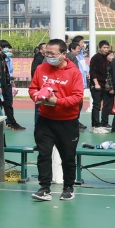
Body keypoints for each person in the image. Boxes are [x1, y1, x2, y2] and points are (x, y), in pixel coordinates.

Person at [29, 38, 84, 202]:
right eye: (46, 53)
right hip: (45, 120)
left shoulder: (74, 72)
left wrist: (57, 101)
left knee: (68, 157)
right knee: (44, 154)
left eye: (52, 54)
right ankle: (44, 188)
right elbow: (33, 88)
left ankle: (68, 187)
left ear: (63, 54)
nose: (49, 56)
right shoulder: (41, 68)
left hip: (67, 121)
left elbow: (78, 97)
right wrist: (37, 96)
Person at [0, 40, 23, 130]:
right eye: (7, 48)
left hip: (6, 84)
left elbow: (6, 72)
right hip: (1, 86)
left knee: (8, 104)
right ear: (1, 47)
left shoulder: (3, 57)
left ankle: (11, 122)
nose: (9, 50)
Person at [88, 40, 111, 132]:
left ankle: (104, 122)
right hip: (96, 85)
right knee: (97, 105)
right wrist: (96, 83)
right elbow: (92, 71)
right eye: (104, 47)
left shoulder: (108, 57)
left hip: (105, 85)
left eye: (107, 47)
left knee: (107, 104)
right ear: (100, 48)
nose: (106, 49)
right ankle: (95, 125)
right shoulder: (95, 58)